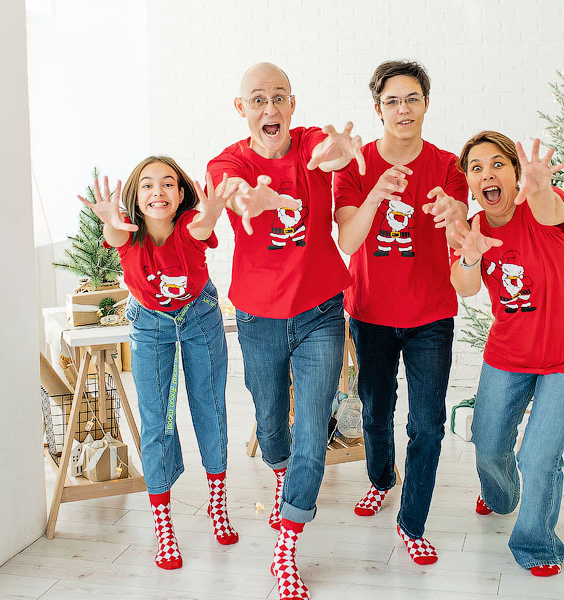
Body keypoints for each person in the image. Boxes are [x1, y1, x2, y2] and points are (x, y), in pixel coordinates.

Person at [206, 62, 365, 600]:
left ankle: (288, 546)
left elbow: (329, 153)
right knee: (271, 422)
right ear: (241, 107)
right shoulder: (226, 161)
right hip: (257, 317)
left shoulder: (310, 141)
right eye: (257, 99)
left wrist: (339, 151)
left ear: (292, 104)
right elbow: (230, 187)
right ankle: (279, 480)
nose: (269, 108)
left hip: (321, 311)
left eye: (279, 98)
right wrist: (250, 197)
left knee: (312, 427)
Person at [448, 131, 564, 577]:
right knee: (487, 444)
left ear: (515, 172)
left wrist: (539, 188)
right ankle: (500, 495)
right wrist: (468, 257)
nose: (487, 174)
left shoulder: (543, 205)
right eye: (477, 168)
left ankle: (538, 544)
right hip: (511, 352)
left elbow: (548, 208)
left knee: (538, 457)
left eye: (498, 163)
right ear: (470, 181)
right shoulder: (473, 227)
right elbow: (465, 288)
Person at [333, 60, 468, 565]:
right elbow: (348, 239)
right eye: (392, 100)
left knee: (427, 424)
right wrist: (375, 193)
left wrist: (455, 213)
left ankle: (412, 523)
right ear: (377, 109)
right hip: (369, 312)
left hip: (430, 315)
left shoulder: (451, 167)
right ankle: (380, 478)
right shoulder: (355, 164)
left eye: (412, 98)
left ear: (426, 104)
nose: (403, 109)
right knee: (374, 410)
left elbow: (462, 242)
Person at [79, 156, 236, 571]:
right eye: (147, 185)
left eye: (168, 184)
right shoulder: (127, 235)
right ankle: (162, 520)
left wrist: (213, 209)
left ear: (181, 194)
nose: (158, 192)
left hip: (199, 317)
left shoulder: (189, 228)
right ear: (136, 197)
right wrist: (107, 218)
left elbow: (203, 225)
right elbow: (113, 233)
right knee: (157, 420)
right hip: (150, 327)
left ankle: (217, 502)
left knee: (210, 408)